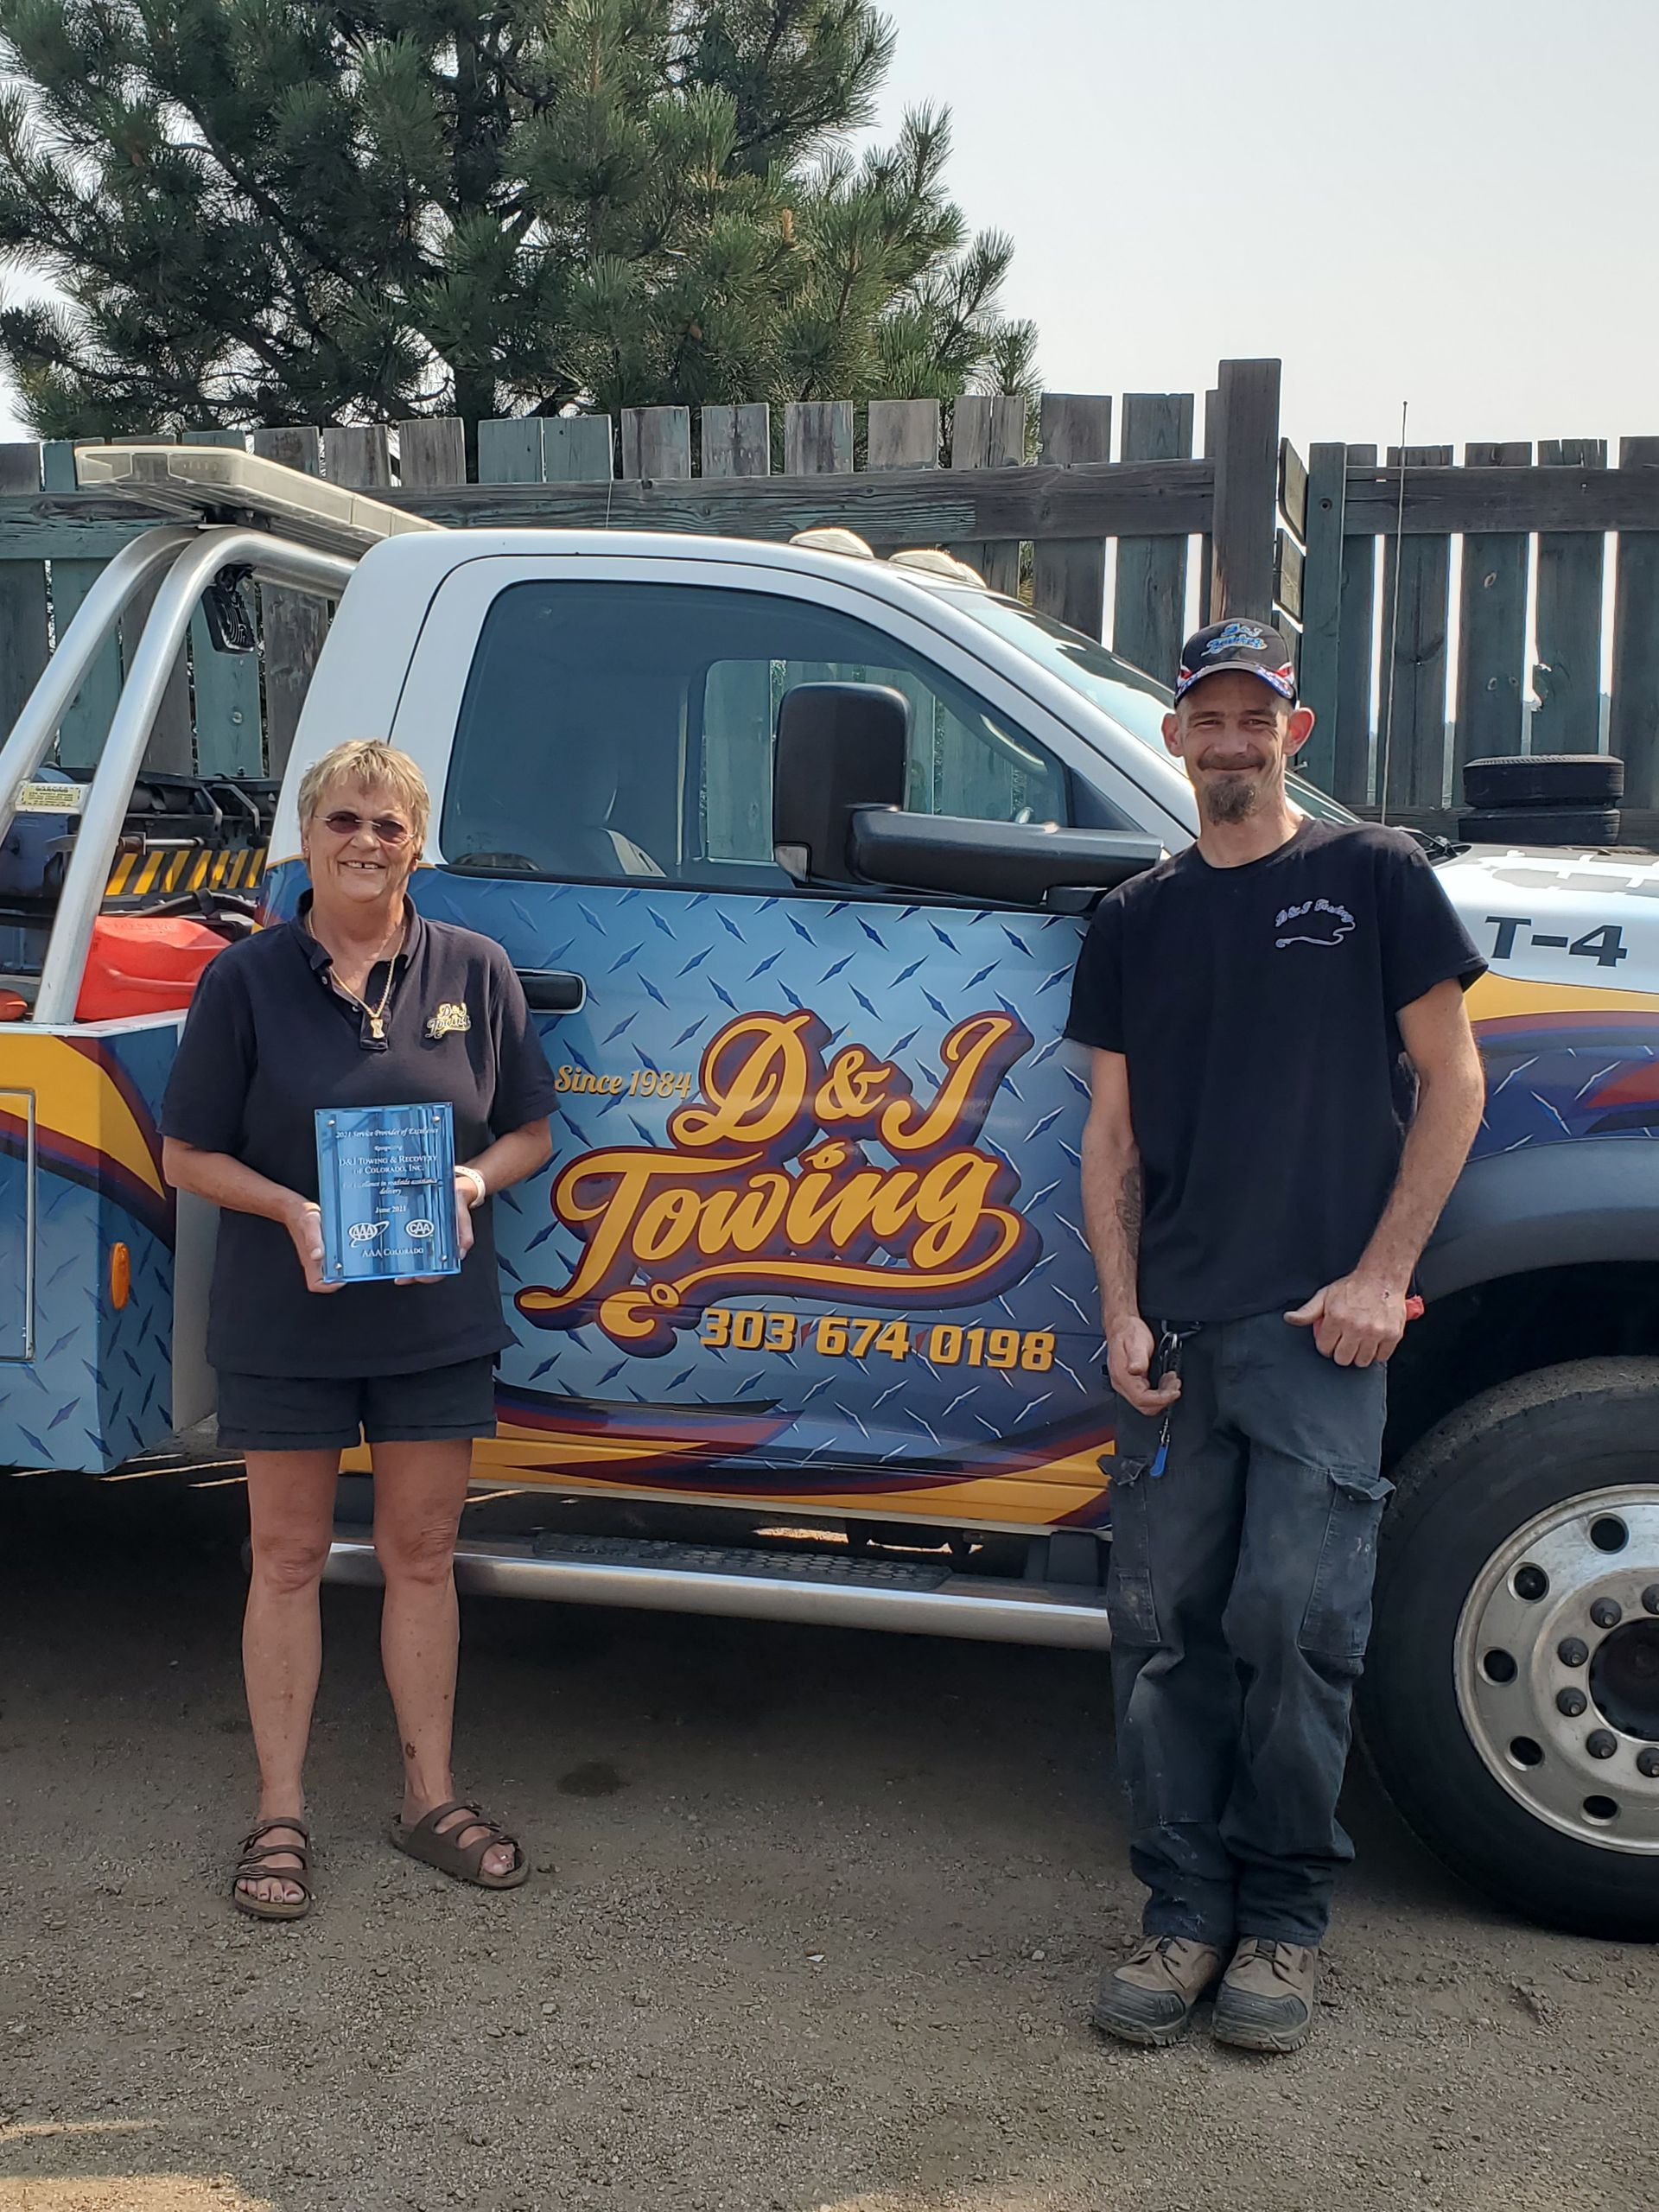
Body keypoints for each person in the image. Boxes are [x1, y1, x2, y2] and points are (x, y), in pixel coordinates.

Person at [1066, 619, 1487, 2053]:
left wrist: (1383, 1273)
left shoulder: (1375, 876)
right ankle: (1183, 1911)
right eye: (1210, 716)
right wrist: (1120, 1310)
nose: (1232, 739)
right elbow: (1110, 1135)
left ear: (1290, 734)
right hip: (1175, 1334)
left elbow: (1454, 1083)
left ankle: (1285, 1928)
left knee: (1297, 1627)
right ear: (1175, 736)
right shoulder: (1134, 918)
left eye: (1258, 717)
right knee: (1165, 1633)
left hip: (1322, 1333)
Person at [161, 739, 559, 1921]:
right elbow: (187, 1152)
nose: (366, 843)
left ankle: (428, 1797)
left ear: (417, 842)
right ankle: (279, 1811)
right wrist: (291, 1209)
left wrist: (473, 1187)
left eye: (388, 825)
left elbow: (531, 1130)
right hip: (288, 1314)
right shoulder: (243, 981)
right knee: (284, 1559)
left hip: (435, 1318)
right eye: (343, 822)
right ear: (306, 837)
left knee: (423, 1555)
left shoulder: (476, 971)